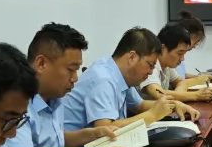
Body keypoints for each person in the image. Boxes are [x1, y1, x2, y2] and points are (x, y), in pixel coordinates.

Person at [6, 23, 137, 147]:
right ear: (41, 64)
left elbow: (53, 143)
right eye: (70, 69)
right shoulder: (17, 103)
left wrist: (91, 135)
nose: (75, 78)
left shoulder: (54, 98)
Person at [62, 27, 200, 130]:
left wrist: (173, 105)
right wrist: (151, 116)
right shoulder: (103, 79)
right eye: (150, 65)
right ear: (132, 57)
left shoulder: (119, 73)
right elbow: (104, 129)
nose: (151, 71)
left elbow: (140, 105)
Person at [139, 23, 212, 102]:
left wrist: (180, 93)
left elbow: (180, 82)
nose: (182, 59)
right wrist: (196, 95)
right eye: (180, 53)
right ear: (163, 49)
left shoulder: (167, 66)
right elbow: (158, 93)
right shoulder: (151, 66)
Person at [174, 11, 211, 83]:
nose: (194, 47)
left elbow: (181, 75)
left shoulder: (180, 55)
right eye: (195, 42)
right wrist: (198, 80)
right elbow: (179, 81)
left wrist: (201, 78)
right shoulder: (173, 55)